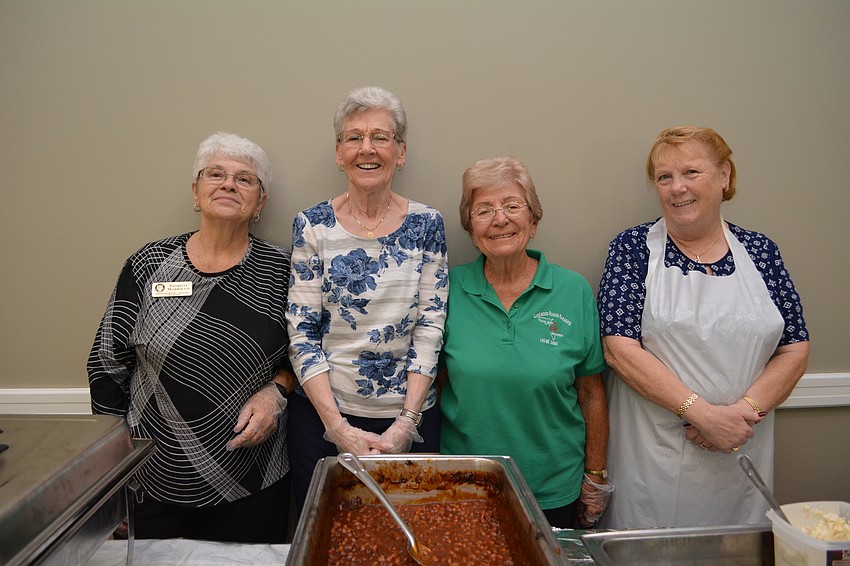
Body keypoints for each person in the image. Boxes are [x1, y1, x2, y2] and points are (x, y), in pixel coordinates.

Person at [598, 126, 810, 528]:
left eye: (691, 173)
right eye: (664, 177)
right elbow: (618, 347)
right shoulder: (632, 248)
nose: (677, 188)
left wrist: (741, 414)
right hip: (654, 459)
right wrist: (704, 415)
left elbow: (795, 347)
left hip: (743, 451)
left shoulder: (761, 251)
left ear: (725, 176)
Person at [87, 132, 294, 543]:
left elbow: (306, 357)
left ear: (261, 202)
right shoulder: (148, 264)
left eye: (245, 179)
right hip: (151, 481)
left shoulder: (284, 270)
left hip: (252, 479)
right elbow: (106, 366)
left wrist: (276, 392)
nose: (228, 184)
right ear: (196, 191)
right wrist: (112, 476)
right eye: (215, 174)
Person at [286, 86, 449, 513]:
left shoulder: (427, 223)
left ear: (401, 151)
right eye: (354, 137)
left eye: (381, 136)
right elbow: (301, 333)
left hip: (409, 418)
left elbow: (430, 326)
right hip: (323, 420)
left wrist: (405, 425)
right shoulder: (312, 226)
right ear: (339, 153)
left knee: (408, 536)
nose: (367, 148)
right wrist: (337, 428)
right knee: (330, 538)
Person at [439, 156, 611, 529]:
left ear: (533, 221)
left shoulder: (573, 291)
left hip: (553, 490)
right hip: (464, 485)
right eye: (484, 210)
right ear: (471, 229)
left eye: (512, 207)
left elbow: (592, 393)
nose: (500, 219)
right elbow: (432, 386)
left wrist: (595, 475)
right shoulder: (447, 290)